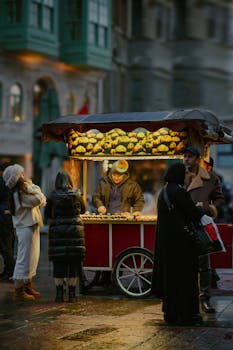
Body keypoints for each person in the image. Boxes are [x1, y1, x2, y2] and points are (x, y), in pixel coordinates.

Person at [152, 162, 204, 326]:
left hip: (167, 244)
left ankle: (171, 313)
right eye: (185, 172)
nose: (187, 175)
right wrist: (201, 208)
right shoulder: (180, 192)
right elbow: (193, 214)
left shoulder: (164, 192)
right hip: (182, 244)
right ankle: (188, 315)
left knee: (170, 279)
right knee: (186, 279)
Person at [183, 146, 224, 313]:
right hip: (183, 224)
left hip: (201, 224)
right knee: (184, 263)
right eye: (185, 156)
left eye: (190, 156)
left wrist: (209, 207)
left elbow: (219, 198)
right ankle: (187, 297)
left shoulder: (210, 178)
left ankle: (205, 298)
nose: (186, 159)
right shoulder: (179, 176)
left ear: (198, 158)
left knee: (204, 264)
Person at [92, 159, 145, 286]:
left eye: (119, 175)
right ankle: (104, 277)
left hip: (123, 221)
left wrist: (136, 211)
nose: (117, 178)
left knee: (120, 248)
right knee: (105, 248)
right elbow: (96, 197)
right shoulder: (103, 182)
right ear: (111, 173)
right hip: (106, 220)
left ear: (125, 174)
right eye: (114, 175)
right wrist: (99, 206)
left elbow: (140, 201)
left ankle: (117, 277)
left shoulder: (132, 185)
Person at [2, 164, 46, 301]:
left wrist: (34, 190)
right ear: (17, 178)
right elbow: (39, 199)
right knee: (24, 259)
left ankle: (27, 284)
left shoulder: (23, 191)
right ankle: (19, 290)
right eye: (21, 174)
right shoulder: (19, 194)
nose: (24, 176)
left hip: (31, 225)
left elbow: (41, 199)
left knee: (32, 257)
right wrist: (33, 186)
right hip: (25, 227)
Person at [46, 171, 86, 303]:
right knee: (74, 263)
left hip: (58, 232)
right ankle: (72, 295)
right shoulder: (77, 194)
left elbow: (47, 214)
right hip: (74, 231)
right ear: (70, 181)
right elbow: (83, 211)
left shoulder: (51, 196)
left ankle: (58, 295)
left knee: (59, 263)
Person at [0, 162, 15, 281]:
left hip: (3, 218)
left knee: (5, 246)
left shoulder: (3, 181)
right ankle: (8, 270)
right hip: (8, 217)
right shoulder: (10, 182)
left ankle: (10, 270)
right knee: (7, 246)